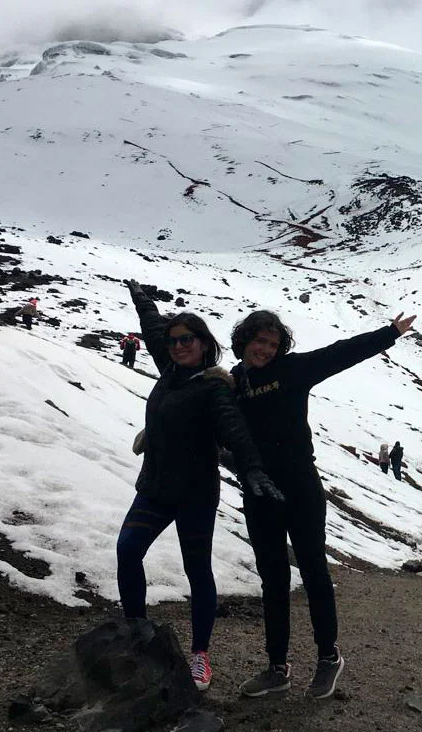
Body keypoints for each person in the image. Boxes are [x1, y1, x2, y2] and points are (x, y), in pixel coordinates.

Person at [228, 308, 416, 700]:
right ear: (244, 340)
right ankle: (277, 668)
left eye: (272, 343)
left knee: (313, 571)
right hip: (259, 491)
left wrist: (388, 333)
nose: (265, 349)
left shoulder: (292, 370)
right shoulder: (232, 383)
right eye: (259, 341)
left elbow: (339, 354)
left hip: (300, 487)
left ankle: (328, 657)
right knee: (273, 579)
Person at [116, 280, 279, 694]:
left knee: (197, 570)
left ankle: (200, 656)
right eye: (174, 341)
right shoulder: (169, 368)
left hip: (195, 494)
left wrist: (253, 470)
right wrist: (142, 299)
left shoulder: (212, 387)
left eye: (187, 339)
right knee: (128, 550)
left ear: (205, 344)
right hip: (154, 486)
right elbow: (153, 328)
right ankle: (135, 632)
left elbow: (235, 432)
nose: (178, 345)